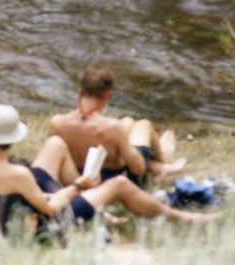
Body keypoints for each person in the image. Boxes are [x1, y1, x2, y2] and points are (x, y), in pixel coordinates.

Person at [0, 104, 218, 240]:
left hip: (2, 220)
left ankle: (95, 202)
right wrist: (78, 186)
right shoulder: (18, 174)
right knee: (119, 184)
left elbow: (26, 197)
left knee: (55, 144)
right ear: (14, 138)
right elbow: (50, 208)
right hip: (39, 231)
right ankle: (181, 218)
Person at [47, 64, 186, 186]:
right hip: (110, 181)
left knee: (128, 121)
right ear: (106, 95)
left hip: (75, 177)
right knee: (144, 124)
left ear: (79, 91)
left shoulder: (57, 122)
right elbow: (138, 169)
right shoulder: (113, 128)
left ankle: (160, 166)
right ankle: (162, 161)